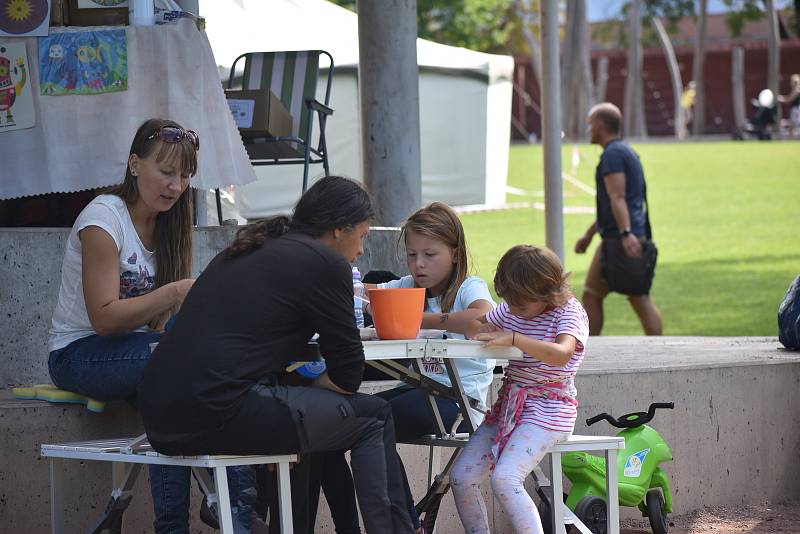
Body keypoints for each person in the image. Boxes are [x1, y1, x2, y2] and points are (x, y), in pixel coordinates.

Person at [138, 175, 415, 534]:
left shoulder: (250, 248)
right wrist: (305, 395)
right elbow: (348, 375)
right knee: (375, 417)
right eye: (361, 236)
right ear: (337, 230)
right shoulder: (326, 263)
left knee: (305, 414)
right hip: (218, 410)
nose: (362, 250)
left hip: (161, 416)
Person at [47, 118, 198, 532]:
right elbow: (104, 318)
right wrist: (174, 293)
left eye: (185, 176)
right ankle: (217, 510)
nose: (176, 186)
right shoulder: (103, 218)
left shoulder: (173, 223)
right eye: (166, 172)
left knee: (182, 385)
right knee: (172, 368)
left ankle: (229, 508)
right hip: (77, 353)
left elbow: (162, 324)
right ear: (134, 164)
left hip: (140, 350)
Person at [321, 202, 497, 533]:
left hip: (457, 401)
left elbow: (482, 319)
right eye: (412, 254)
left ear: (455, 253)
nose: (419, 264)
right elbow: (364, 295)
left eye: (430, 255)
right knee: (330, 427)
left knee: (369, 419)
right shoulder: (406, 287)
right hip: (415, 390)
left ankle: (405, 523)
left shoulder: (467, 287)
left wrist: (418, 318)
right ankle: (366, 524)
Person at [451, 244, 590, 534]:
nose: (514, 311)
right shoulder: (513, 307)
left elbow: (561, 353)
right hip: (510, 409)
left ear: (548, 293)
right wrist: (478, 327)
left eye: (522, 306)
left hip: (551, 410)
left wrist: (515, 338)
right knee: (462, 476)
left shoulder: (568, 312)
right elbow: (482, 323)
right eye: (510, 303)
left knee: (505, 478)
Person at [574, 102, 662, 336]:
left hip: (620, 239)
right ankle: (657, 346)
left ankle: (590, 349)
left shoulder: (612, 155)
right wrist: (590, 234)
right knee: (631, 296)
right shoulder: (626, 151)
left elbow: (617, 197)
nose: (588, 130)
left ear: (601, 125)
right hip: (623, 235)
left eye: (590, 124)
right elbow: (612, 204)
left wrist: (625, 234)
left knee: (601, 296)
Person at [777, 73, 800, 139]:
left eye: (796, 81)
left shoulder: (797, 90)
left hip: (796, 110)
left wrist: (781, 98)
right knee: (792, 126)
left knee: (792, 126)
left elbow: (789, 99)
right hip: (795, 109)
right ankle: (791, 140)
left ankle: (792, 140)